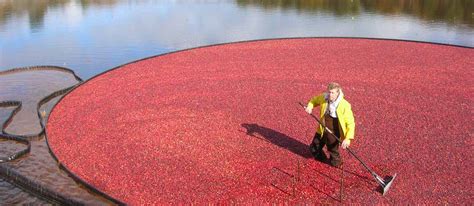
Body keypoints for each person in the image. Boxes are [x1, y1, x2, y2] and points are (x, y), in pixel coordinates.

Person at [305, 82, 355, 167]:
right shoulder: (324, 97)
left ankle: (337, 164)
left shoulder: (344, 105)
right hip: (322, 128)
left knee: (333, 151)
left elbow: (350, 123)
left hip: (334, 130)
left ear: (338, 93)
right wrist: (310, 106)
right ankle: (321, 159)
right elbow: (313, 100)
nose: (330, 95)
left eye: (332, 93)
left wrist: (348, 138)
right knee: (314, 147)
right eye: (329, 92)